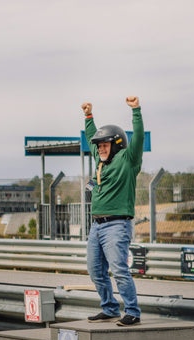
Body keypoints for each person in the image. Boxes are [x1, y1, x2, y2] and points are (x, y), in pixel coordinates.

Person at [81, 96, 144, 326]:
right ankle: (109, 308)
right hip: (96, 225)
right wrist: (89, 115)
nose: (100, 149)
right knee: (95, 270)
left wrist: (136, 110)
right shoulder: (100, 159)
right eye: (100, 146)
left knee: (118, 270)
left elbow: (138, 137)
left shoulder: (128, 159)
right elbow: (90, 139)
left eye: (105, 145)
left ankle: (133, 312)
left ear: (116, 144)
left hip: (118, 224)